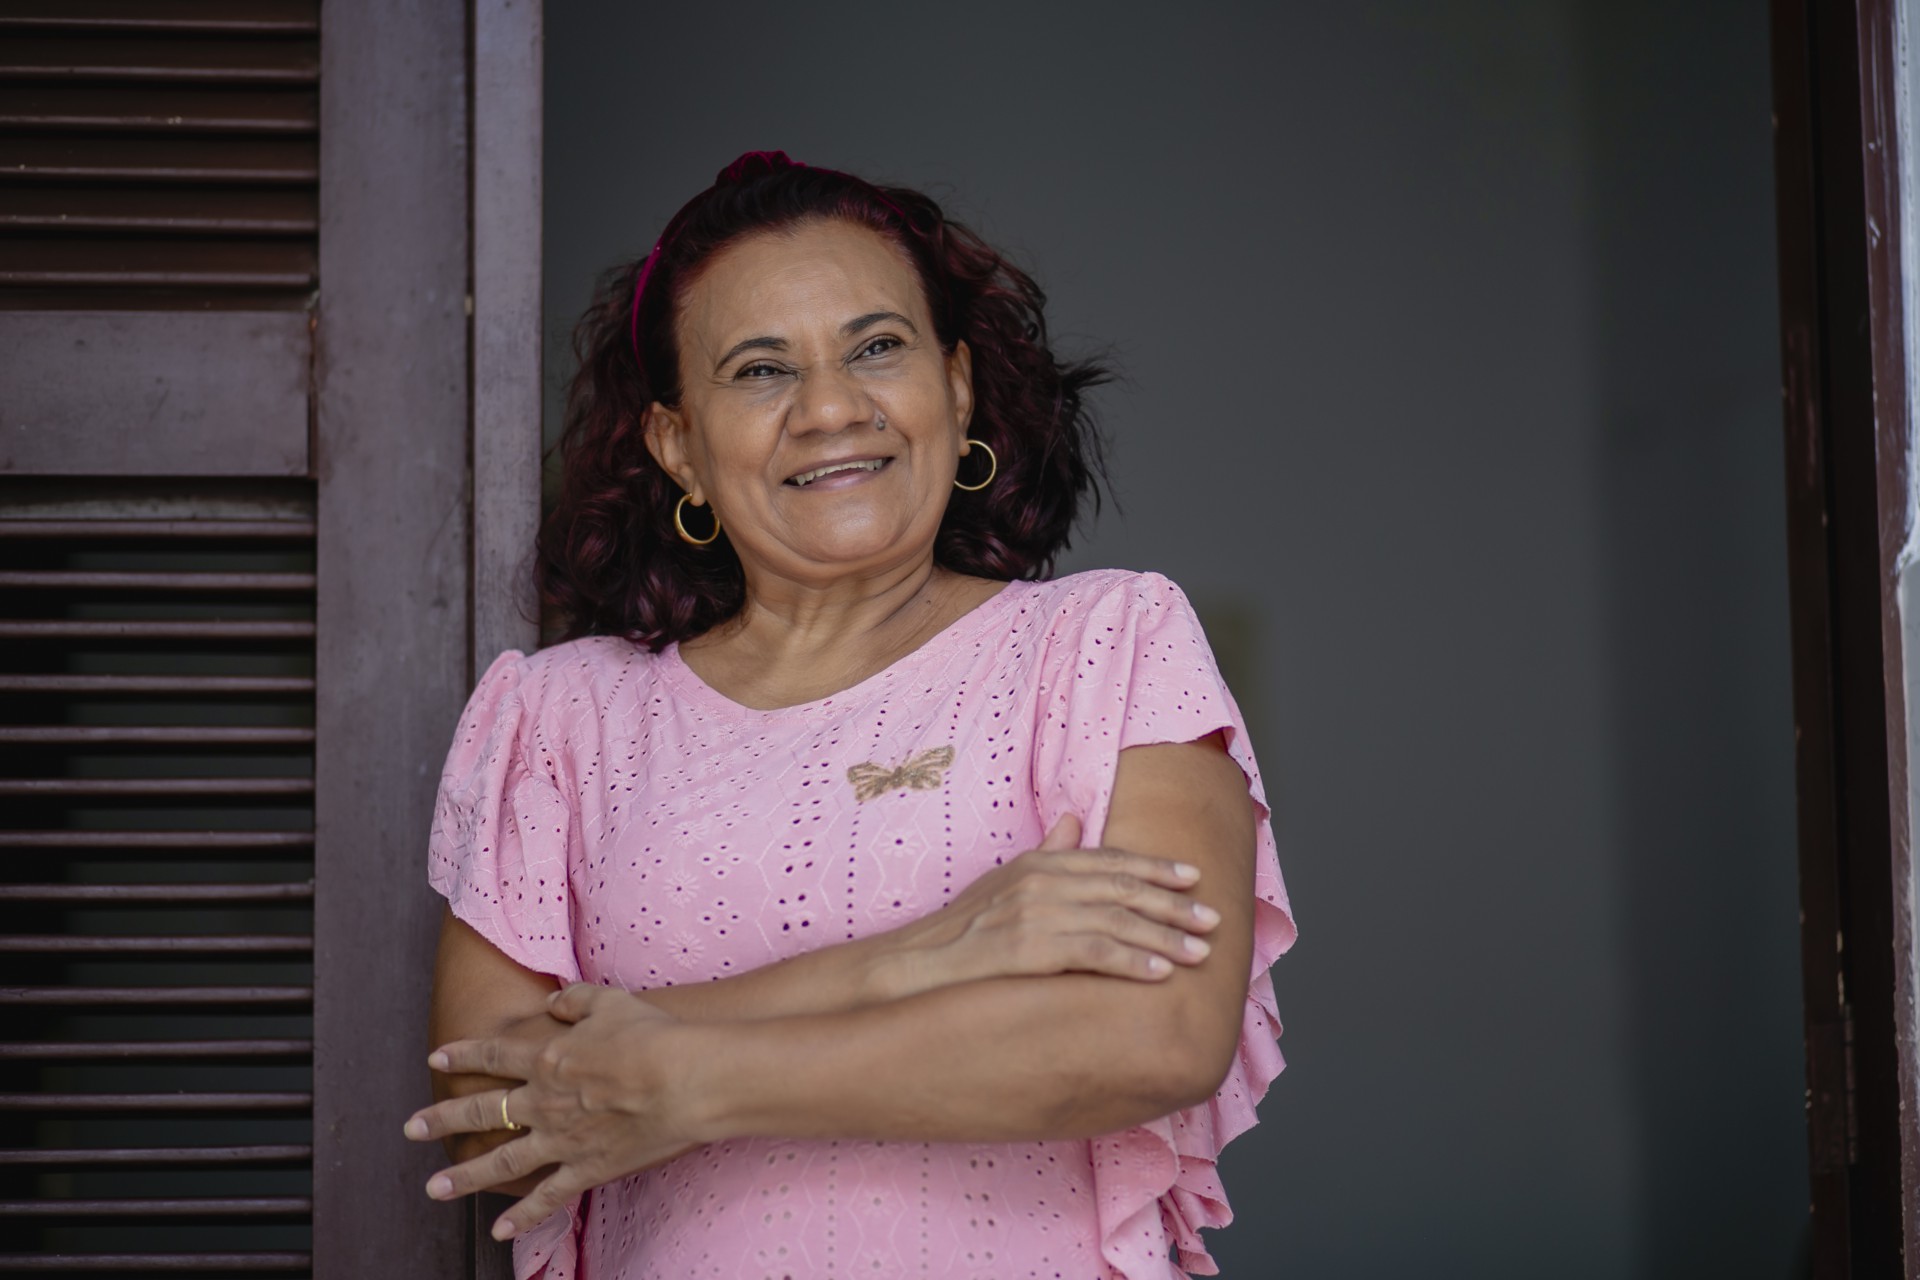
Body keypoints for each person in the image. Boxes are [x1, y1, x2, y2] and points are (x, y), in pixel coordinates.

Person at [403, 151, 1295, 1280]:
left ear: (956, 388)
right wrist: (921, 954)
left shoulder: (1105, 647)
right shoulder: (561, 715)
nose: (830, 408)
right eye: (761, 369)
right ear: (679, 446)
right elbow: (486, 1112)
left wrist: (689, 1084)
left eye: (877, 347)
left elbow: (1152, 1036)